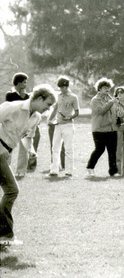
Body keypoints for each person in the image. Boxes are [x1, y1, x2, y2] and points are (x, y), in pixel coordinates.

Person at [0, 84, 56, 245]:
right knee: (11, 190)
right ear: (39, 98)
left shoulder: (36, 117)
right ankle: (5, 234)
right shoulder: (12, 107)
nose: (48, 109)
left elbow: (25, 136)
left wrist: (31, 150)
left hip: (7, 153)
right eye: (48, 105)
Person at [5, 73, 39, 177]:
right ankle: (6, 171)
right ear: (18, 83)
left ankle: (20, 171)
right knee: (8, 149)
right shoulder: (10, 95)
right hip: (12, 125)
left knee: (23, 148)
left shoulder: (28, 96)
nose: (25, 84)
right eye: (24, 82)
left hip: (23, 125)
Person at [86, 78, 119, 177]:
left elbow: (114, 112)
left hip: (112, 129)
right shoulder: (95, 100)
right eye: (105, 88)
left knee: (112, 151)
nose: (107, 90)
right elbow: (100, 111)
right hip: (99, 129)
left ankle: (113, 172)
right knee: (99, 149)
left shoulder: (110, 99)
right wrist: (111, 103)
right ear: (99, 89)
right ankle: (90, 167)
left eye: (108, 88)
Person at [48, 76, 80, 177]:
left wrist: (69, 116)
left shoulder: (73, 97)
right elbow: (55, 109)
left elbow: (77, 112)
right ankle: (54, 170)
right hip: (58, 125)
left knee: (68, 148)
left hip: (68, 125)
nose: (61, 89)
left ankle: (69, 171)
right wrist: (50, 120)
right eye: (60, 87)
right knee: (55, 148)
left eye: (63, 87)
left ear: (67, 86)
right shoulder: (58, 96)